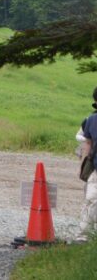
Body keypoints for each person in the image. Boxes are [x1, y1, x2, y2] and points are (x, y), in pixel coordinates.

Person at [77, 87, 97, 241]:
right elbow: (88, 144)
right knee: (91, 200)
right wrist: (83, 166)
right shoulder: (91, 120)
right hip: (95, 170)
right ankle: (84, 238)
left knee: (91, 201)